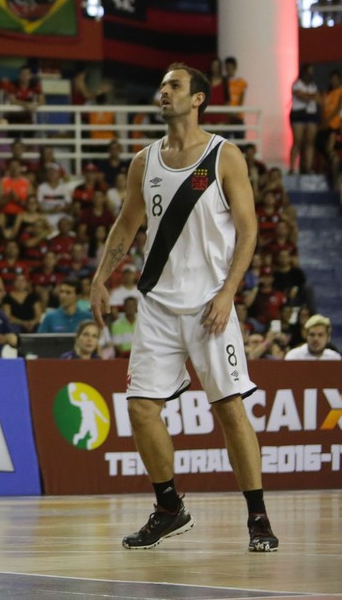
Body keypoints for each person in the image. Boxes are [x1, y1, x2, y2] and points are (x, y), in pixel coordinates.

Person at [89, 64, 276, 553]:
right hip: (156, 305)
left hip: (209, 303)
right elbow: (126, 226)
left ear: (198, 99)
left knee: (229, 409)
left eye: (174, 86)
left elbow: (249, 229)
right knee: (140, 408)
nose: (163, 92)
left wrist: (228, 292)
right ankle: (169, 507)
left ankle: (258, 517)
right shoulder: (143, 161)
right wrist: (100, 279)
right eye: (162, 86)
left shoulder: (223, 156)